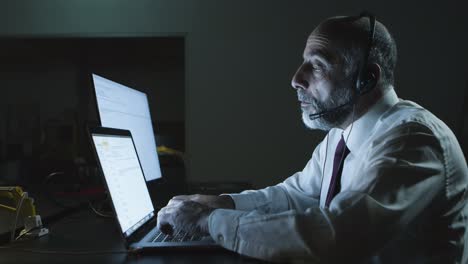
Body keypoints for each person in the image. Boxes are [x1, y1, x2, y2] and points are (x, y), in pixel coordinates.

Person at [157, 14, 468, 263]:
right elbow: (297, 196)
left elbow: (337, 235)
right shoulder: (340, 135)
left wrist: (209, 221)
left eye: (317, 65)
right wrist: (220, 203)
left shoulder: (411, 139)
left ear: (366, 79)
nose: (296, 79)